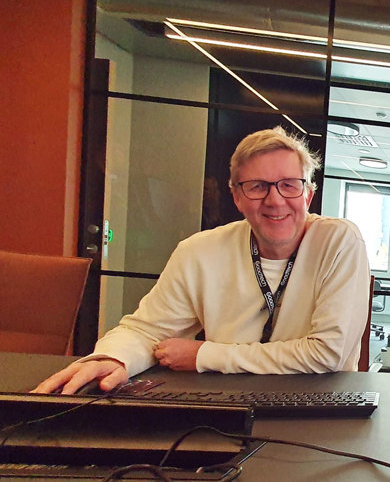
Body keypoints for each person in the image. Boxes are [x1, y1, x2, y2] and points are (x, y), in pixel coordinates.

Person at [34, 126, 370, 394]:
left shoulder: (339, 241)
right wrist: (112, 357)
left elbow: (328, 354)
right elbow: (147, 330)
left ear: (308, 194)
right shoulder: (200, 251)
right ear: (237, 197)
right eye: (257, 187)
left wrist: (203, 355)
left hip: (319, 406)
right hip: (228, 402)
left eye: (289, 185)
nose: (275, 200)